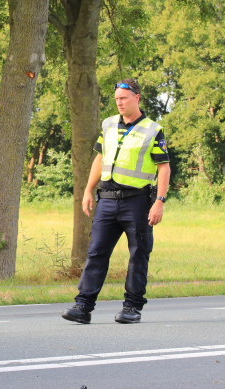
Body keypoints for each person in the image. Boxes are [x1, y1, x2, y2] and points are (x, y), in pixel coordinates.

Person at [62, 79, 171, 324]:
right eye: (116, 99)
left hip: (137, 202)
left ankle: (132, 307)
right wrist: (88, 190)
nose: (119, 103)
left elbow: (164, 167)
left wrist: (160, 201)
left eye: (123, 98)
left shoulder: (152, 130)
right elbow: (100, 158)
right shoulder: (109, 124)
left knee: (138, 254)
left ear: (137, 98)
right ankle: (83, 306)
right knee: (96, 253)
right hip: (107, 200)